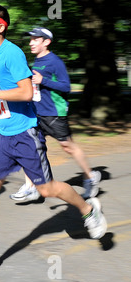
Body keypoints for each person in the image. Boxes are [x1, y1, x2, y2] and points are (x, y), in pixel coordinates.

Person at [0, 4, 107, 269]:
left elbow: (25, 93)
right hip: (2, 135)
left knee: (46, 189)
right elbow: (2, 86)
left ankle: (87, 209)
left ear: (0, 27)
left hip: (24, 134)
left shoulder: (11, 52)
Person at [10, 27, 101, 202]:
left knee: (68, 146)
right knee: (30, 148)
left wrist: (42, 80)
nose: (31, 43)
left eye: (35, 39)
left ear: (46, 42)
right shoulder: (36, 61)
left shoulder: (55, 61)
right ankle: (31, 187)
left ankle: (90, 177)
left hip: (54, 113)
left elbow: (66, 87)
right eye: (31, 40)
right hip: (36, 113)